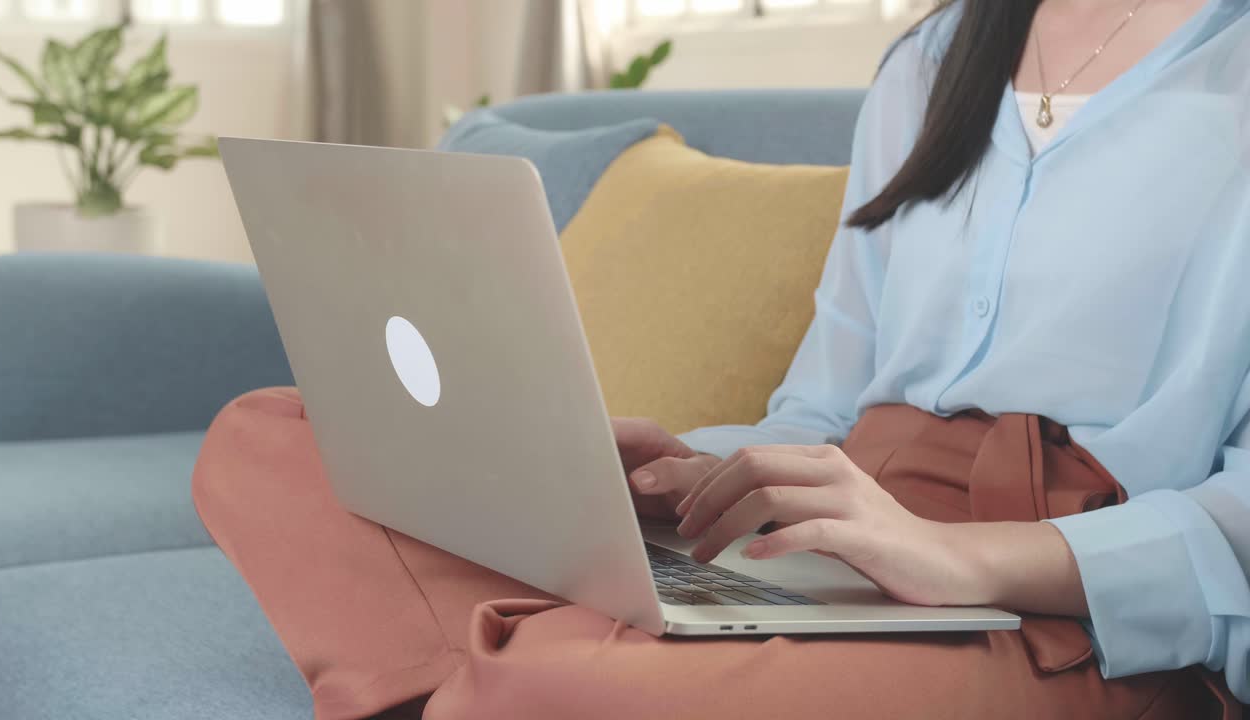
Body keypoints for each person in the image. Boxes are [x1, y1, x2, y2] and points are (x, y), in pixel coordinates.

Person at [193, 1, 1249, 718]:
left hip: (1055, 590)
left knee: (575, 686)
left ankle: (536, 659)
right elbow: (822, 404)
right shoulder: (929, 64)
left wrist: (962, 560)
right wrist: (676, 470)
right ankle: (571, 652)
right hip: (833, 517)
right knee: (269, 443)